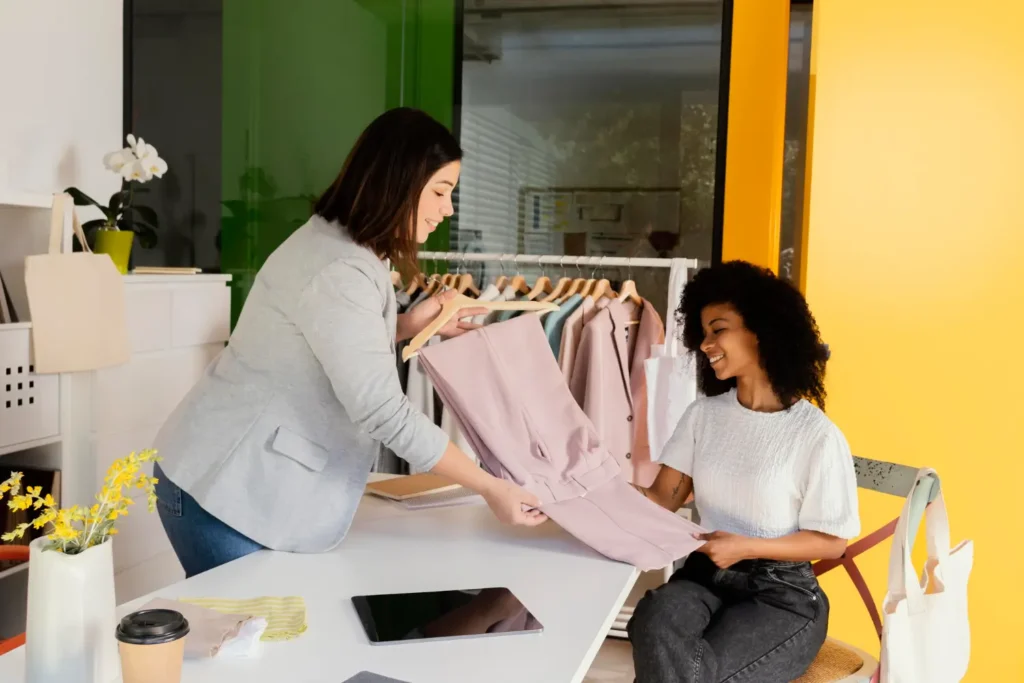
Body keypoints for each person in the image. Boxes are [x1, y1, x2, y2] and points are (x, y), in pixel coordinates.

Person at [151, 108, 547, 578]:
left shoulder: (340, 247)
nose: (448, 209)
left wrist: (406, 324)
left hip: (224, 473)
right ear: (398, 183)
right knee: (259, 640)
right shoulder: (341, 268)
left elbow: (326, 339)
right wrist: (490, 486)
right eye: (441, 192)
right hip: (223, 489)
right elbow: (381, 410)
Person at [628, 261, 860, 683]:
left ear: (763, 330)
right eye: (703, 332)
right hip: (704, 578)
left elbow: (832, 542)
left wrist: (745, 547)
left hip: (781, 596)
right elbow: (662, 500)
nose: (705, 343)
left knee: (697, 672)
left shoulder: (816, 435)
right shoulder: (703, 416)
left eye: (719, 329)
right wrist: (596, 485)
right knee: (653, 620)